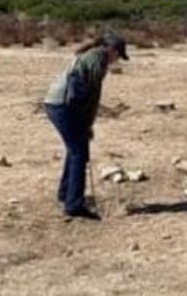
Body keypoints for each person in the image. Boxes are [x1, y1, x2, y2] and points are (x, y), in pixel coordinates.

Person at [42, 31, 129, 220]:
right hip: (63, 105)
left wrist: (86, 124)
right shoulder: (97, 59)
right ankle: (74, 205)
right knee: (79, 153)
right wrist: (84, 123)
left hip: (59, 104)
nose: (117, 60)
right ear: (112, 50)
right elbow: (84, 94)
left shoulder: (94, 56)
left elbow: (88, 97)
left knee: (75, 150)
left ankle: (66, 194)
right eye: (118, 55)